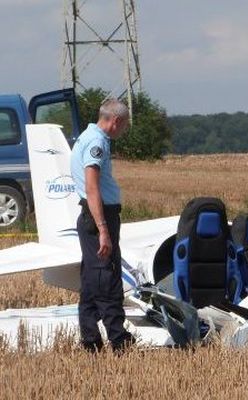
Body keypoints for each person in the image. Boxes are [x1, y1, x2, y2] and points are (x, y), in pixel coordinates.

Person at [70, 98, 134, 353]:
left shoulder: (88, 136)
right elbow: (92, 188)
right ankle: (119, 339)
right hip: (99, 216)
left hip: (94, 215)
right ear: (115, 121)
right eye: (125, 125)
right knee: (105, 277)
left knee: (90, 279)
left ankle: (90, 338)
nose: (124, 130)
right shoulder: (97, 142)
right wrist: (104, 229)